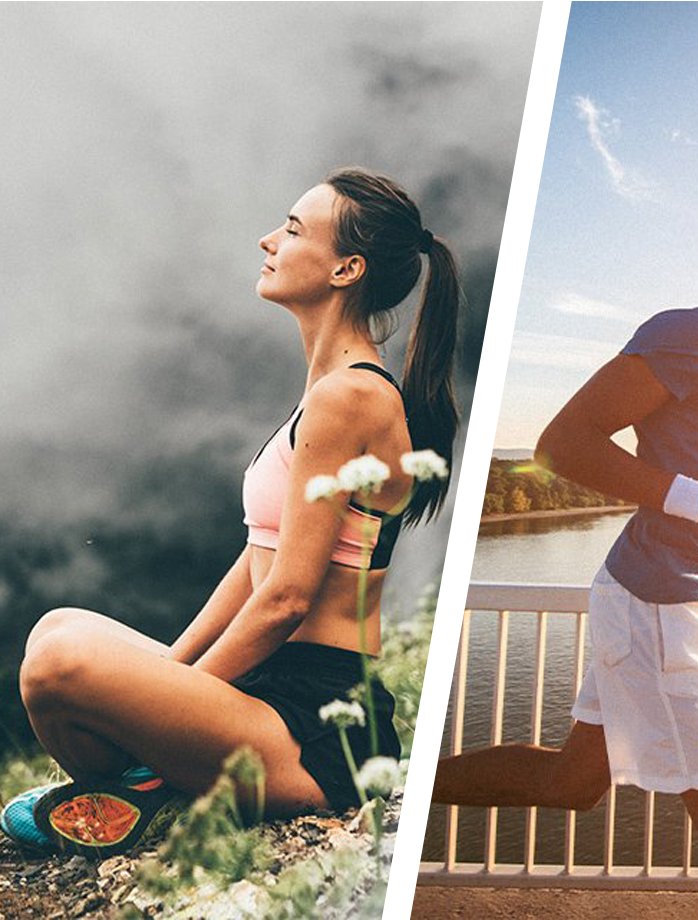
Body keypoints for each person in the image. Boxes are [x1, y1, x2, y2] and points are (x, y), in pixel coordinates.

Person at [1, 167, 460, 856]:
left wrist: (166, 704)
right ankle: (148, 790)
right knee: (60, 626)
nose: (269, 239)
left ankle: (143, 788)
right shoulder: (328, 391)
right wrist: (170, 691)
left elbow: (287, 599)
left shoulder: (352, 398)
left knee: (58, 664)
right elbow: (257, 564)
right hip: (266, 694)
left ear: (346, 269)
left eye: (295, 229)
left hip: (314, 727)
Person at [433, 192, 698, 919]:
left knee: (573, 784)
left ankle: (403, 783)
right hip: (659, 605)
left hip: (679, 600)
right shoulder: (688, 334)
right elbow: (562, 445)